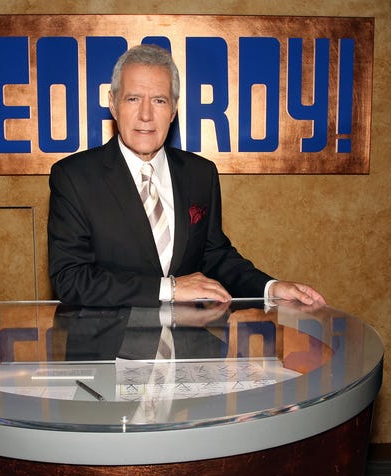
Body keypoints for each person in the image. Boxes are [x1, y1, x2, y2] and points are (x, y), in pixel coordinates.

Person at [47, 44, 325, 308]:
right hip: (106, 350)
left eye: (158, 100)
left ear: (174, 108)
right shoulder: (73, 177)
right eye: (133, 99)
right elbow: (70, 280)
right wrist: (170, 289)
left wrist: (270, 288)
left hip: (188, 347)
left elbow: (214, 255)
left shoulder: (200, 173)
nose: (146, 115)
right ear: (113, 103)